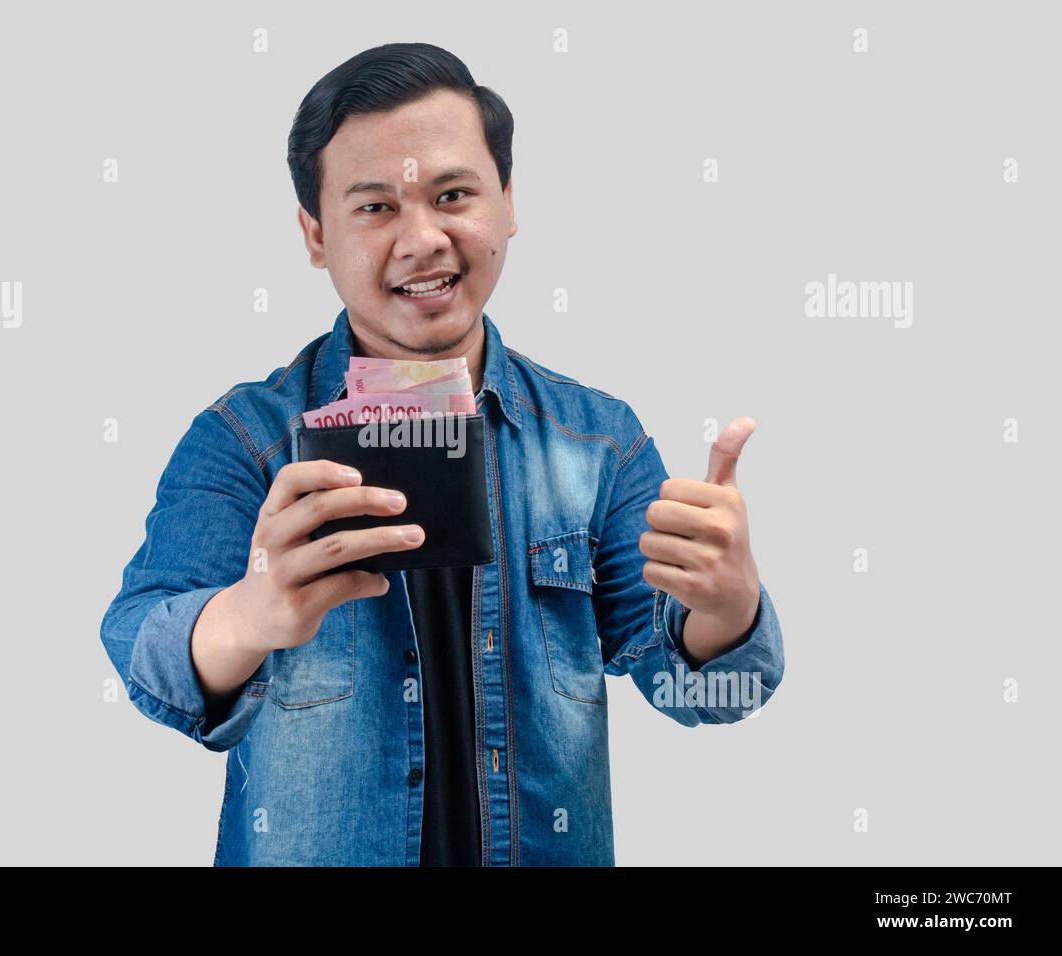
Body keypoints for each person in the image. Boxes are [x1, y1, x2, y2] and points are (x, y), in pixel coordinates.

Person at [99, 42, 785, 866]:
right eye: (376, 207)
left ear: (507, 204)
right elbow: (143, 649)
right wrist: (246, 618)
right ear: (315, 234)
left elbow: (696, 691)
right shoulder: (244, 440)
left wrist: (725, 608)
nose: (424, 239)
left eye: (453, 194)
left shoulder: (599, 442)